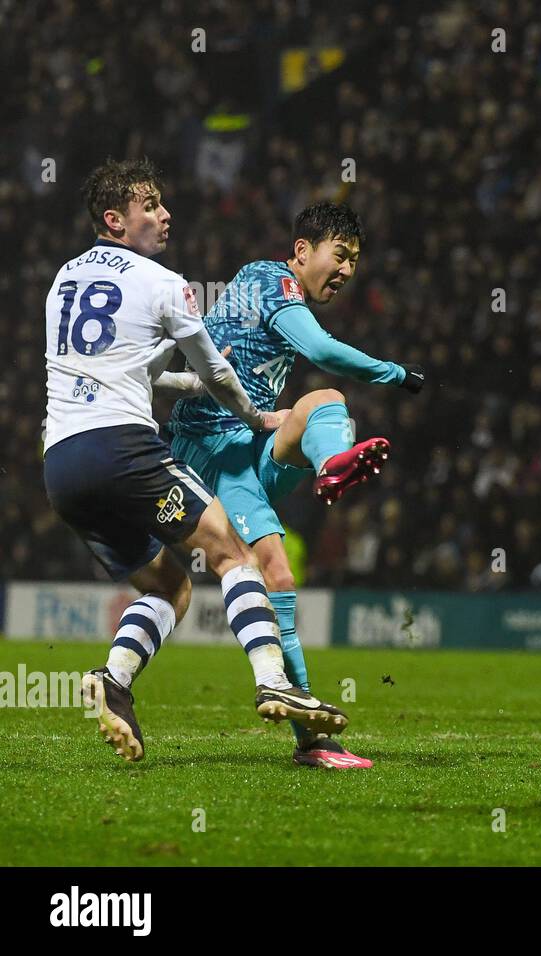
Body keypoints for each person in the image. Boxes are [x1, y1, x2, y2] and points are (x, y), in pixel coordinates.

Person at [44, 157, 345, 763]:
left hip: (61, 462)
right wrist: (258, 417)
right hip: (123, 448)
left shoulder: (61, 280)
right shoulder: (163, 283)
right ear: (115, 219)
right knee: (231, 551)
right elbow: (214, 371)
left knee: (170, 584)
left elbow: (142, 370)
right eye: (149, 205)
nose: (164, 214)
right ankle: (273, 680)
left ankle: (114, 682)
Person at [167, 201, 425, 768]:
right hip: (212, 451)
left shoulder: (267, 285)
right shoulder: (273, 281)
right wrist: (397, 374)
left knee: (321, 404)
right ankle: (313, 740)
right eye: (341, 255)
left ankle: (333, 462)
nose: (349, 269)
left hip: (249, 439)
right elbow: (323, 350)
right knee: (276, 572)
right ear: (303, 251)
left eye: (356, 259)